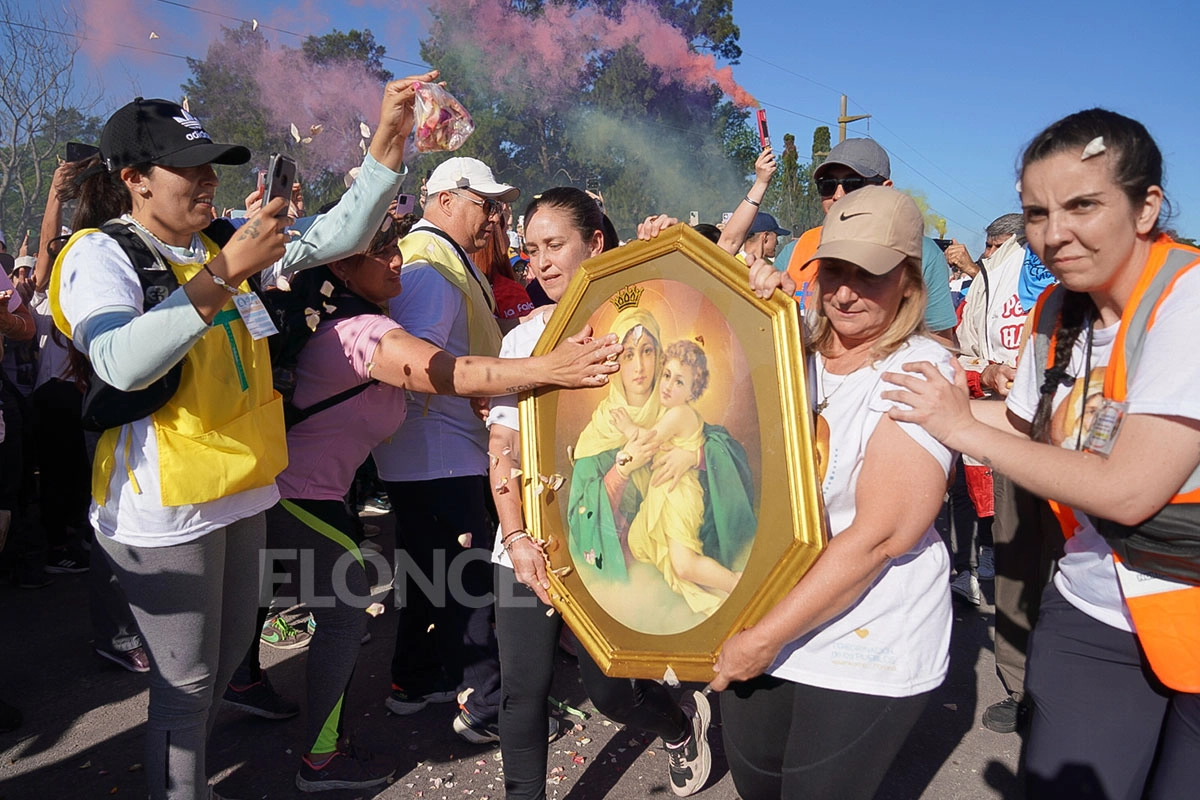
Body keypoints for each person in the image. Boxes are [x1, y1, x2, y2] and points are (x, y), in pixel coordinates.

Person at [46, 74, 436, 800]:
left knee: (222, 670)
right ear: (134, 180)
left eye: (209, 166)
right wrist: (226, 273)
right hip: (165, 507)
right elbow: (118, 361)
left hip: (243, 490)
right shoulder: (100, 254)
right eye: (186, 168)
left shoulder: (219, 238)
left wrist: (388, 137)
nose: (204, 181)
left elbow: (341, 234)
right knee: (187, 687)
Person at [229, 217, 619, 792]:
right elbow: (453, 372)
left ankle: (243, 679)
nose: (397, 261)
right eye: (382, 252)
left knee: (347, 597)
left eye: (396, 249)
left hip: (316, 492)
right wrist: (547, 368)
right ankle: (320, 759)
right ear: (341, 267)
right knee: (343, 615)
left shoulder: (375, 322)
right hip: (296, 495)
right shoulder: (362, 334)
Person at [885, 108, 1200, 798]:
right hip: (1094, 606)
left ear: (1147, 206)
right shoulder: (1057, 311)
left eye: (1082, 205)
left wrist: (961, 429)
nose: (1054, 234)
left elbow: (1128, 490)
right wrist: (912, 404)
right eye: (1036, 212)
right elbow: (1023, 429)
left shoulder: (1190, 302)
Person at [710, 185, 954, 800]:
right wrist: (742, 308)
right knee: (756, 786)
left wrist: (762, 639)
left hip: (865, 635)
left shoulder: (919, 371)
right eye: (834, 271)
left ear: (909, 279)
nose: (844, 292)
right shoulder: (791, 344)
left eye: (867, 276)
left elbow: (878, 539)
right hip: (766, 612)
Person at [488, 187, 713, 799]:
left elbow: (719, 308)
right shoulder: (522, 341)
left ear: (596, 243)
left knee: (612, 690)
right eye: (531, 250)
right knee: (522, 688)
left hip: (617, 540)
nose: (541, 263)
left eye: (555, 245)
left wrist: (677, 248)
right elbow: (503, 452)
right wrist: (516, 538)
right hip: (530, 537)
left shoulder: (639, 336)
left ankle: (676, 720)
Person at [372, 156, 522, 742]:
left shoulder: (444, 260)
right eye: (483, 204)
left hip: (431, 450)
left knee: (426, 572)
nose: (492, 218)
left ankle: (415, 679)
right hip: (440, 448)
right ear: (444, 199)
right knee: (468, 578)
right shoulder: (432, 268)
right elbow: (421, 363)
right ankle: (488, 702)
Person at [775, 138, 958, 341]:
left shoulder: (922, 253)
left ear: (886, 188)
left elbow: (942, 342)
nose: (838, 195)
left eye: (853, 184)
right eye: (827, 185)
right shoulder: (794, 251)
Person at [617, 340, 741, 615]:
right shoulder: (668, 411)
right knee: (656, 553)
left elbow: (648, 442)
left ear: (692, 392)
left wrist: (627, 428)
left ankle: (738, 585)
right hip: (667, 494)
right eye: (667, 375)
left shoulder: (680, 413)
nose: (668, 385)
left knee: (684, 565)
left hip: (680, 497)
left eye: (679, 382)